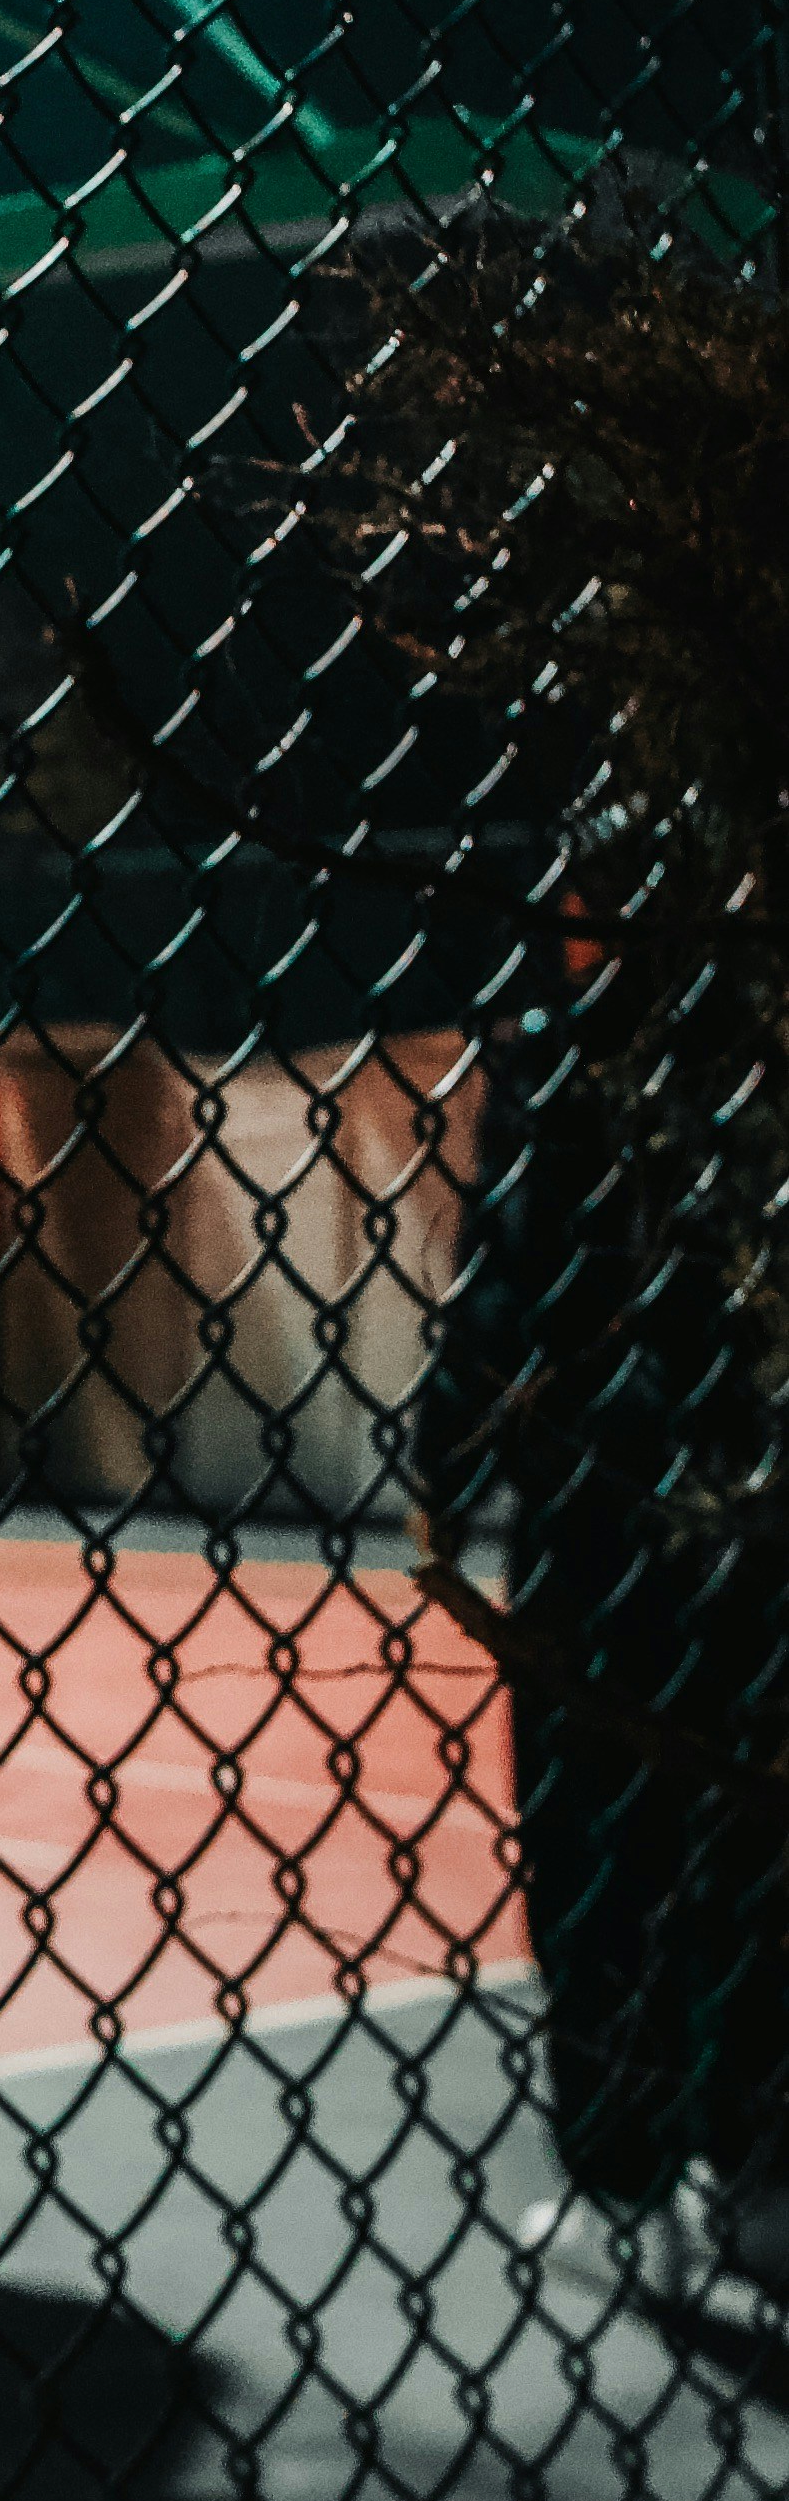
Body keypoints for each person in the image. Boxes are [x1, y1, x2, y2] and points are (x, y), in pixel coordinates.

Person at [416, 907, 789, 2309]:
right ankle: (739, 2167)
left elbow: (503, 1286)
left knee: (592, 1846)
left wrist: (438, 1475)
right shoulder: (753, 1051)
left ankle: (622, 2178)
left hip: (599, 1505)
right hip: (747, 1514)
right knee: (735, 1840)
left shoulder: (558, 1064)